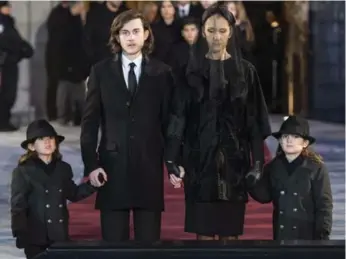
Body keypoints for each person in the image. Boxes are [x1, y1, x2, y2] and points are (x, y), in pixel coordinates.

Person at [164, 2, 271, 240]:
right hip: (198, 163)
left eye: (222, 31)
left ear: (231, 32)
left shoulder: (246, 71)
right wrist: (171, 158)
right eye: (211, 30)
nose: (216, 36)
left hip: (235, 165)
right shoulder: (188, 71)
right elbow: (177, 118)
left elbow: (255, 122)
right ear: (203, 31)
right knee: (202, 235)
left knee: (230, 235)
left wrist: (256, 165)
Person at [80, 9, 175, 242]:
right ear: (116, 37)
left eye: (135, 32)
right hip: (111, 168)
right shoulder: (100, 71)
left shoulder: (162, 73)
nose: (131, 38)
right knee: (113, 244)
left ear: (146, 35)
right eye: (125, 33)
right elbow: (90, 123)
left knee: (149, 244)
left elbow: (170, 122)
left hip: (148, 167)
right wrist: (91, 165)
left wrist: (172, 162)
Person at [10, 119, 96, 259]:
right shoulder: (23, 171)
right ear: (32, 146)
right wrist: (20, 233)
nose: (47, 142)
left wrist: (93, 185)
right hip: (36, 237)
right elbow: (18, 206)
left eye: (50, 138)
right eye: (41, 139)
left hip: (59, 236)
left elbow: (73, 193)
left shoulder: (63, 169)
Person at [249, 115, 333, 240]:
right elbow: (264, 196)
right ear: (280, 141)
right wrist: (252, 181)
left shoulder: (316, 168)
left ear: (305, 143)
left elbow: (324, 205)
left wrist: (322, 234)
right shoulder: (273, 167)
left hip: (307, 235)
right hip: (282, 233)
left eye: (295, 137)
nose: (289, 140)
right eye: (285, 136)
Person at [0, 1, 33, 131]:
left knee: (10, 93)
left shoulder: (9, 23)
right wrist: (17, 50)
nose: (9, 9)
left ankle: (5, 120)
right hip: (4, 64)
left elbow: (17, 41)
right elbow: (6, 42)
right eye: (6, 6)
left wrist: (24, 50)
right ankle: (2, 121)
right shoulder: (2, 23)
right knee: (5, 93)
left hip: (10, 63)